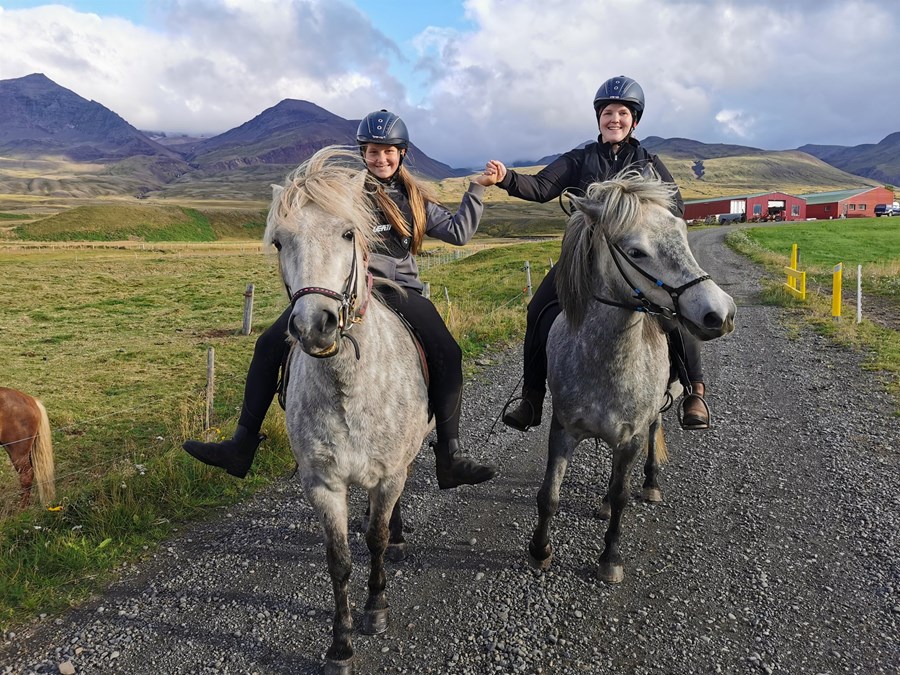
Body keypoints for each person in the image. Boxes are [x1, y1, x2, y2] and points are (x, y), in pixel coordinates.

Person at [183, 109, 498, 489]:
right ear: (362, 154)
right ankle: (241, 445)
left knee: (447, 350)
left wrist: (477, 189)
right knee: (268, 344)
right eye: (371, 152)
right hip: (339, 291)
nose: (380, 159)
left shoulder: (416, 200)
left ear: (402, 153)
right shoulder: (347, 194)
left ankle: (449, 455)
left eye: (388, 151)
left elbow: (459, 233)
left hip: (399, 291)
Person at [489, 75, 711, 432]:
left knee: (674, 310)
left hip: (633, 263)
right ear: (599, 118)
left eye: (623, 113)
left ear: (634, 120)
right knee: (538, 310)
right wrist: (506, 178)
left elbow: (677, 206)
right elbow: (543, 187)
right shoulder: (581, 158)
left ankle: (694, 391)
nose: (615, 119)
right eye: (608, 112)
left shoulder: (648, 163)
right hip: (582, 262)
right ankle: (531, 398)